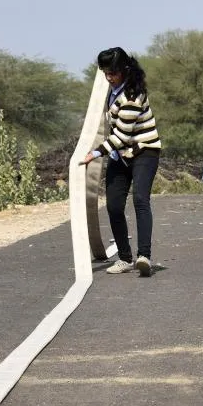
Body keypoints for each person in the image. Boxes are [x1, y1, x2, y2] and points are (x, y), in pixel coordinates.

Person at [82, 47, 162, 276]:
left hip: (143, 152)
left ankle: (144, 256)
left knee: (140, 199)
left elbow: (122, 136)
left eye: (113, 73)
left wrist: (95, 153)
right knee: (114, 205)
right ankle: (125, 258)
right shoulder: (109, 91)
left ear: (124, 70)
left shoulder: (131, 95)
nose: (109, 77)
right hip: (120, 155)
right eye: (106, 73)